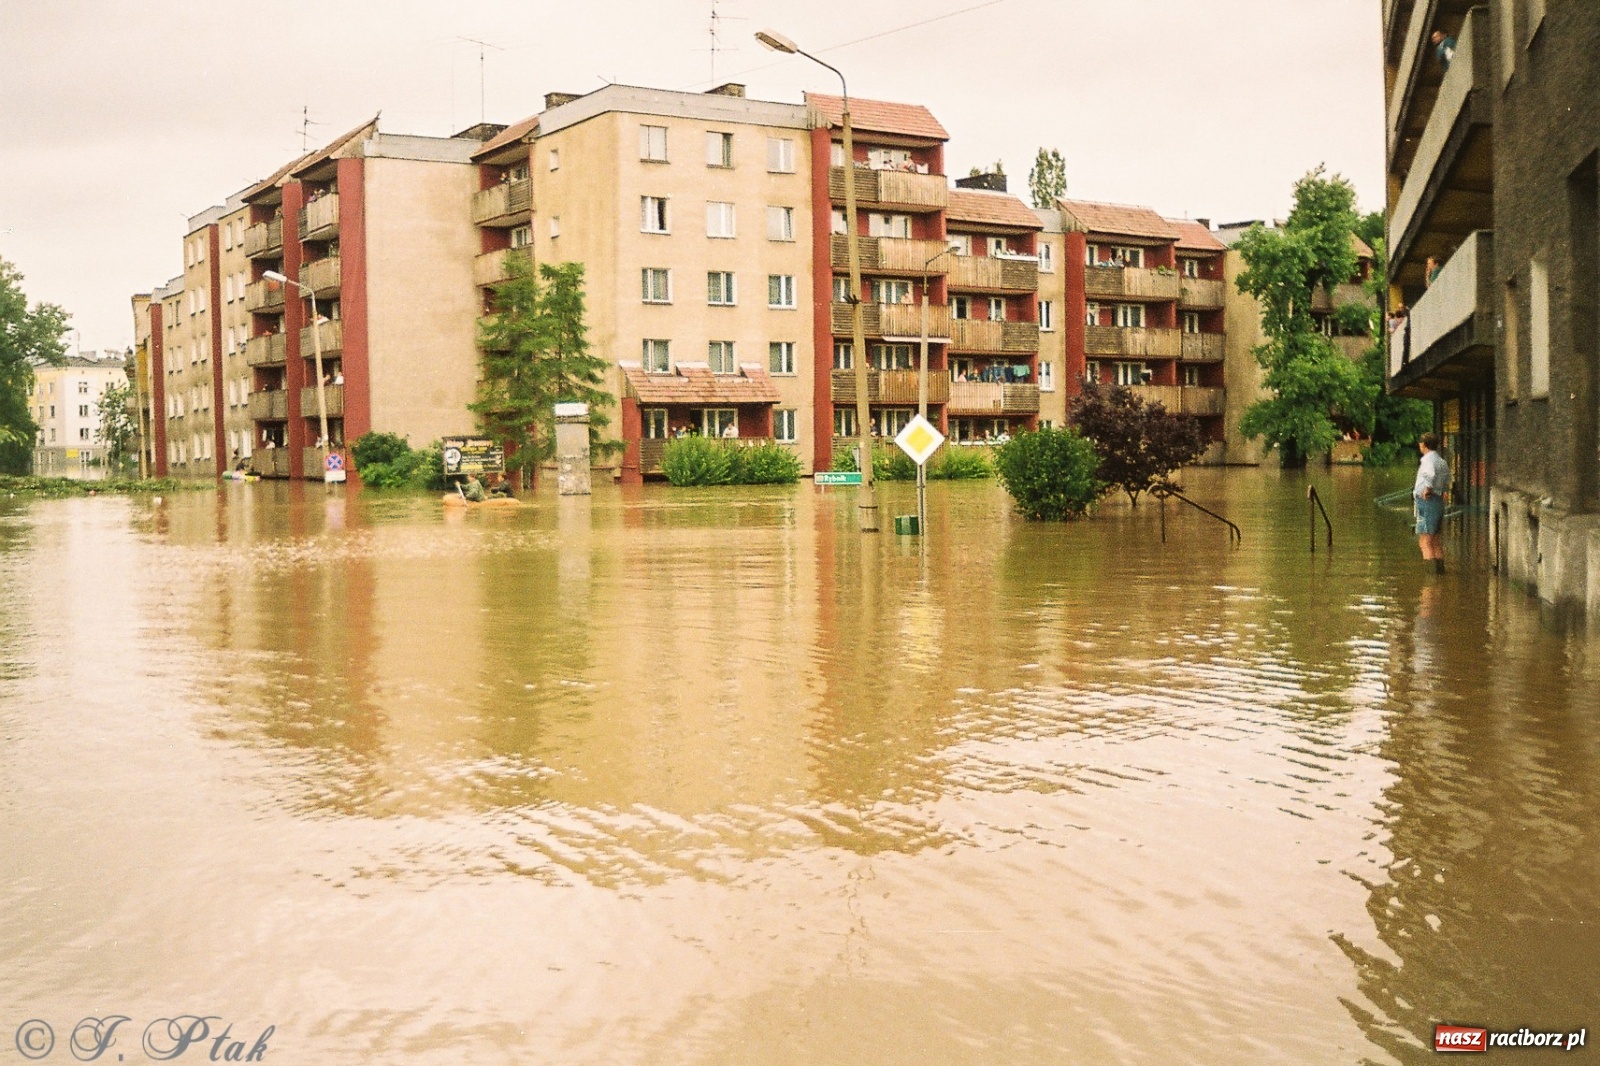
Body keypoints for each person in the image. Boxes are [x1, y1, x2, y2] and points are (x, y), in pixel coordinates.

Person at [1414, 432, 1450, 573]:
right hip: (1438, 501)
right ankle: (1440, 575)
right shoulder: (1442, 461)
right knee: (1435, 540)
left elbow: (1430, 474)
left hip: (1427, 501)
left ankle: (1431, 578)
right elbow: (1447, 480)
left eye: (1420, 443)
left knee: (1425, 541)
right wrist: (1443, 490)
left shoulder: (1428, 460)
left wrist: (1427, 489)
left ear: (1424, 445)